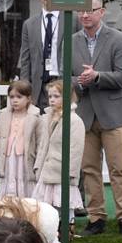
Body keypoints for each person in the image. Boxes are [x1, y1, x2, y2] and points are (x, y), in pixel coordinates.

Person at [72, 0, 122, 239]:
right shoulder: (72, 41)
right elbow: (66, 77)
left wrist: (97, 77)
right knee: (89, 170)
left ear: (102, 12)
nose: (86, 15)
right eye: (82, 11)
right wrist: (81, 81)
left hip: (114, 115)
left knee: (119, 168)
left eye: (91, 10)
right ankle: (96, 218)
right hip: (86, 114)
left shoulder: (118, 39)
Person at [18, 0, 81, 108]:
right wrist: (24, 90)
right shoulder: (29, 25)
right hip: (39, 88)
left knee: (63, 127)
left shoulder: (74, 19)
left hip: (65, 84)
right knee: (40, 127)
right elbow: (25, 60)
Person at [32, 80, 85, 220]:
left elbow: (76, 150)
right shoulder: (47, 118)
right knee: (46, 209)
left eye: (56, 96)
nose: (52, 100)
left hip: (62, 173)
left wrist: (71, 173)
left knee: (64, 206)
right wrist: (38, 166)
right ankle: (50, 233)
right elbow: (43, 145)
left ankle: (67, 231)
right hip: (46, 172)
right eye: (50, 97)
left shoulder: (75, 121)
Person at [0, 79, 43, 199]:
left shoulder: (35, 117)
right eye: (12, 97)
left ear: (28, 98)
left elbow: (40, 141)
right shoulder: (3, 115)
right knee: (10, 178)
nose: (15, 100)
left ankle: (25, 209)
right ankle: (9, 209)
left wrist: (38, 161)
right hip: (9, 157)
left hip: (26, 158)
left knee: (25, 181)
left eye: (19, 97)